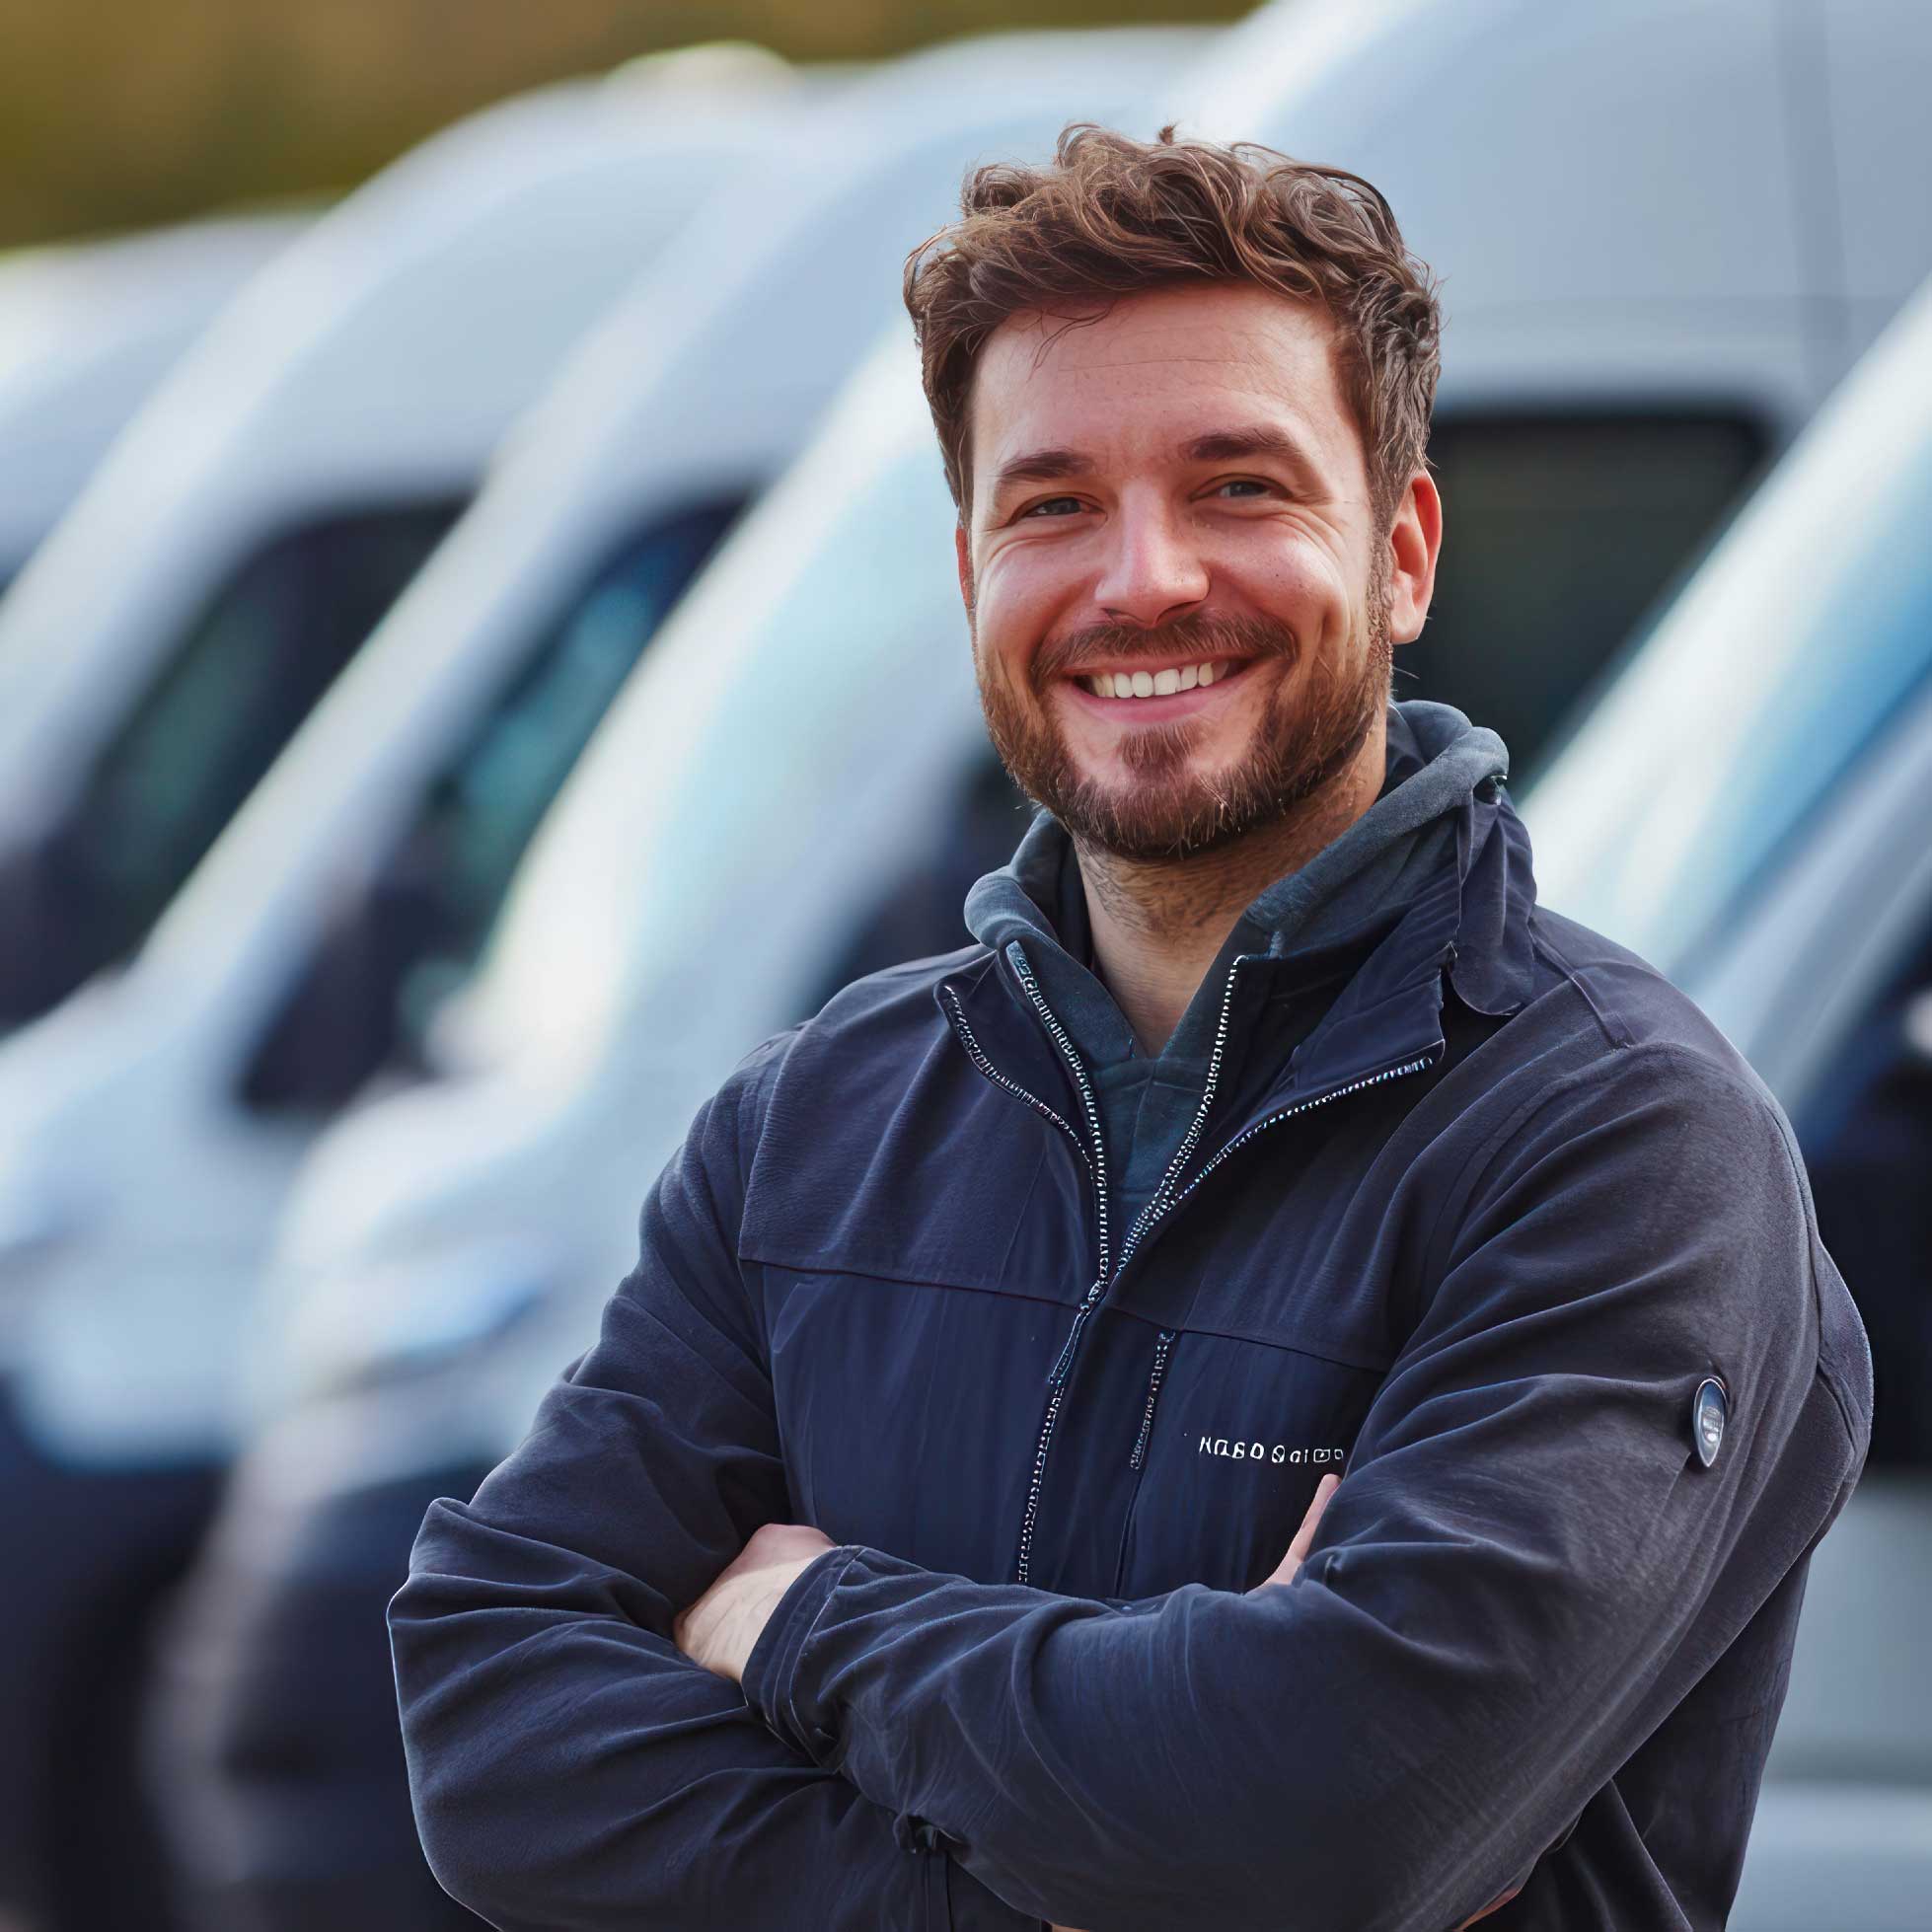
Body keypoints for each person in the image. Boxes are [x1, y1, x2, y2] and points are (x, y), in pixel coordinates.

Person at [389, 126, 1873, 1930]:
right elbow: (487, 1713)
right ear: (969, 574)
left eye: (1237, 485)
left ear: (1401, 552)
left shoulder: (1618, 1144)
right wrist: (1108, 1839)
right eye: (1053, 505)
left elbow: (1326, 1818)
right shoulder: (808, 1132)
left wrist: (802, 1616)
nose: (1143, 577)